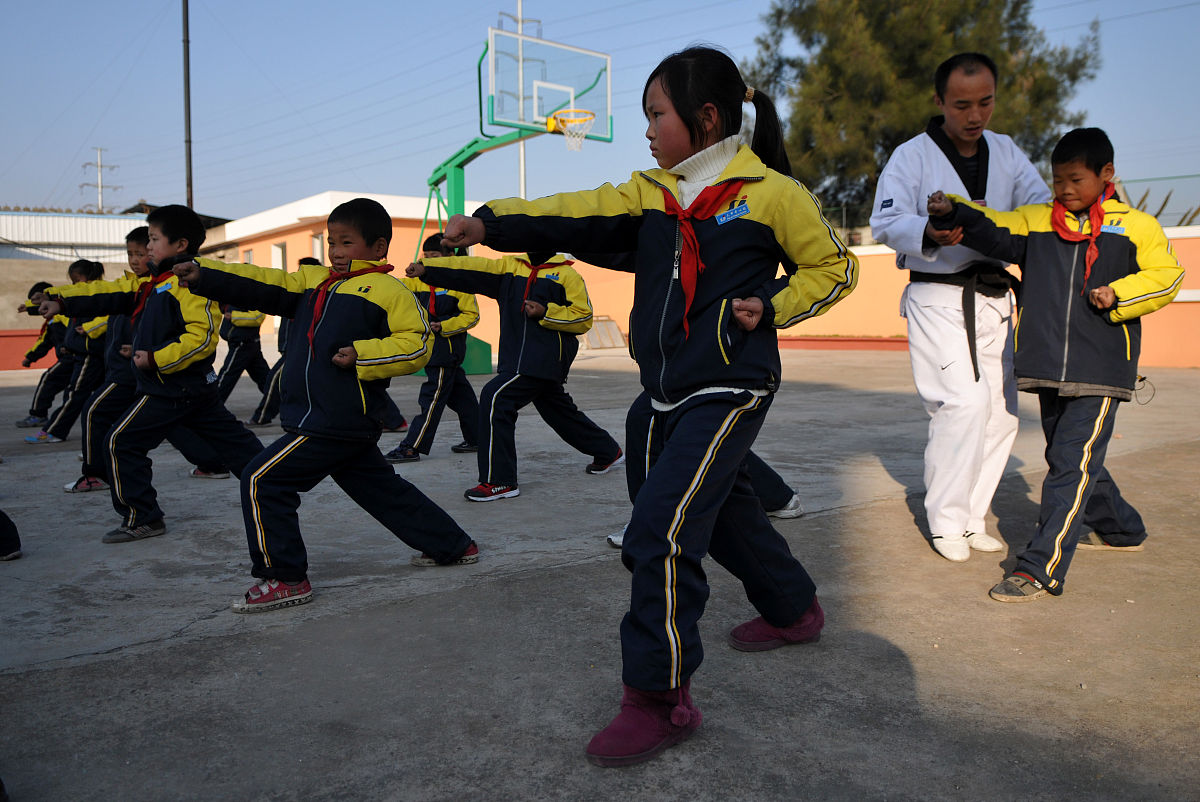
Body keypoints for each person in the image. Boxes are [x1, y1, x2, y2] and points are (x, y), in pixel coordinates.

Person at [440, 46, 858, 766]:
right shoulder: (650, 195)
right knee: (722, 511)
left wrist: (773, 305)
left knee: (660, 531)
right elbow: (574, 212)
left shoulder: (771, 194)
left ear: (707, 118)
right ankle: (794, 608)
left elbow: (835, 267)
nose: (647, 130)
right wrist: (491, 222)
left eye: (656, 115)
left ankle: (659, 699)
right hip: (663, 390)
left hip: (732, 384)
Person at [174, 198, 479, 613]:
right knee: (382, 491)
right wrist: (206, 275)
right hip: (326, 418)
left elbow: (417, 344)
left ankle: (285, 578)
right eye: (331, 242)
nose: (335, 251)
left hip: (335, 418)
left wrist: (363, 354)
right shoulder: (314, 282)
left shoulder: (390, 291)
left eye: (346, 242)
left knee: (262, 480)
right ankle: (453, 545)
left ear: (378, 247)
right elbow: (262, 282)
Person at [925, 127, 1184, 602]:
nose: (1064, 189)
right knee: (1073, 460)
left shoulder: (1137, 226)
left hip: (1102, 369)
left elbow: (1168, 277)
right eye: (1058, 180)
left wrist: (1119, 294)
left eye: (1075, 179)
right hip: (1046, 365)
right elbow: (994, 226)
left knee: (1070, 464)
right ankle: (1122, 529)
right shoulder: (1038, 220)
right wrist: (954, 210)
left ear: (1106, 173)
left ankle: (1039, 568)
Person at [869, 52, 1052, 562]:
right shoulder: (912, 156)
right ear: (940, 101)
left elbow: (1039, 210)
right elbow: (885, 222)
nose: (975, 116)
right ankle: (946, 521)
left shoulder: (1007, 151)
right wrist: (928, 231)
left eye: (985, 103)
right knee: (964, 404)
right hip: (938, 296)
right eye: (962, 105)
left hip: (995, 296)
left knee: (1001, 415)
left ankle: (972, 517)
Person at [37, 205, 264, 543]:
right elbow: (108, 293)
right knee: (236, 444)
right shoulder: (154, 282)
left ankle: (143, 517)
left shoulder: (189, 281)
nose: (148, 247)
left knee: (120, 441)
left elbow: (201, 338)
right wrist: (60, 300)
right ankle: (275, 479)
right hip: (185, 388)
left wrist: (156, 359)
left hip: (173, 386)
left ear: (180, 244)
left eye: (154, 239)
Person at [408, 250, 623, 500]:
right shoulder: (509, 268)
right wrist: (428, 268)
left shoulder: (566, 275)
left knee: (496, 397)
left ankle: (500, 481)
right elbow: (471, 267)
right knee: (558, 411)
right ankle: (608, 451)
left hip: (546, 359)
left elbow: (583, 317)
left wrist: (546, 311)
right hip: (515, 359)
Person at [64, 226, 230, 494]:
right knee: (171, 424)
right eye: (131, 253)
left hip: (139, 369)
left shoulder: (171, 285)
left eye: (142, 251)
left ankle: (96, 474)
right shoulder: (139, 285)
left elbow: (193, 334)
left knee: (96, 412)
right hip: (139, 368)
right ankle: (212, 463)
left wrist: (148, 353)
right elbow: (104, 305)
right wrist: (58, 300)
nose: (136, 259)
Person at [385, 232, 481, 462]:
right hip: (430, 350)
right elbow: (394, 289)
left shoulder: (459, 284)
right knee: (463, 400)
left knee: (431, 401)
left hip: (445, 352)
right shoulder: (416, 282)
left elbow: (472, 315)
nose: (428, 260)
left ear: (449, 256)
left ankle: (412, 446)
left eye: (434, 256)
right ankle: (478, 438)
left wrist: (444, 326)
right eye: (426, 256)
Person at [23, 260, 109, 444]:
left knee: (74, 394)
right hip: (80, 353)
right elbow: (61, 301)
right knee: (89, 395)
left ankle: (53, 430)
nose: (72, 285)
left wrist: (90, 328)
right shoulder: (78, 296)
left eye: (75, 280)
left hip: (89, 354)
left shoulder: (97, 294)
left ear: (83, 278)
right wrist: (30, 306)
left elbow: (108, 317)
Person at [247, 257, 322, 427]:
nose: (298, 273)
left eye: (302, 270)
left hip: (300, 348)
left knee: (274, 380)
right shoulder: (296, 290)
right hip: (289, 347)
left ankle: (261, 417)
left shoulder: (315, 295)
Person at [15, 281, 71, 429]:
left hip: (71, 357)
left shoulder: (62, 315)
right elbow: (45, 342)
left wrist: (70, 346)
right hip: (72, 358)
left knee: (48, 379)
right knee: (73, 393)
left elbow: (74, 329)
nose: (39, 309)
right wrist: (30, 357)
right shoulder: (51, 321)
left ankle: (38, 415)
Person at [215, 303, 270, 403]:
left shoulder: (255, 295)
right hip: (245, 343)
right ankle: (280, 401)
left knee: (227, 376)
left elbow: (258, 317)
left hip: (243, 343)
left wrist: (233, 316)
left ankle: (212, 404)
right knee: (264, 378)